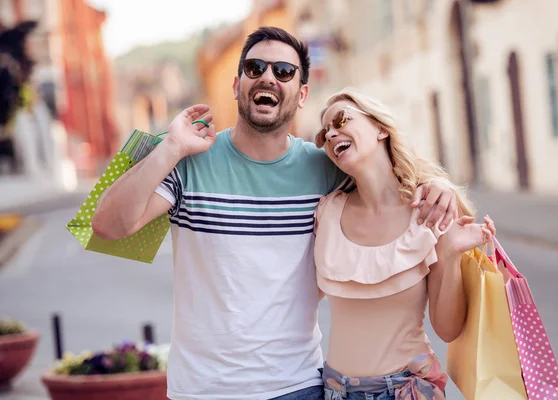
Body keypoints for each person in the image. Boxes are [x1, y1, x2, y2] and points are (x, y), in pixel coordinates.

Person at [92, 27, 459, 400]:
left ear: (301, 95)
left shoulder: (325, 168)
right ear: (237, 84)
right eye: (255, 67)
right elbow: (104, 226)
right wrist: (169, 147)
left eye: (283, 71)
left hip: (297, 386)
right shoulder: (186, 157)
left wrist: (437, 187)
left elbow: (387, 178)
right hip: (201, 391)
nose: (267, 76)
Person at [313, 88, 495, 400]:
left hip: (405, 391)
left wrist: (449, 253)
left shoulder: (429, 211)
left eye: (341, 120)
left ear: (381, 128)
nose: (331, 133)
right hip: (335, 391)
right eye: (324, 133)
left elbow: (448, 329)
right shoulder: (326, 212)